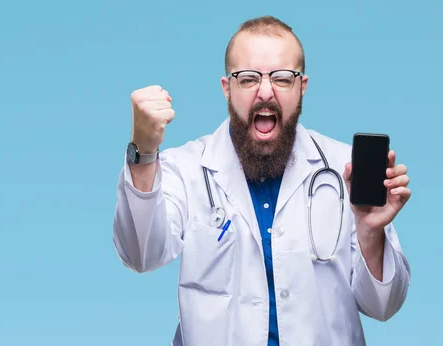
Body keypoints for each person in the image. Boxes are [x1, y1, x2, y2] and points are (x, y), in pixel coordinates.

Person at [112, 15, 411, 346]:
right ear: (227, 88)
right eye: (248, 78)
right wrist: (144, 150)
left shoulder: (344, 172)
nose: (265, 92)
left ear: (302, 87)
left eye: (283, 79)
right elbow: (140, 256)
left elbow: (384, 306)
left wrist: (371, 233)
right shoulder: (186, 168)